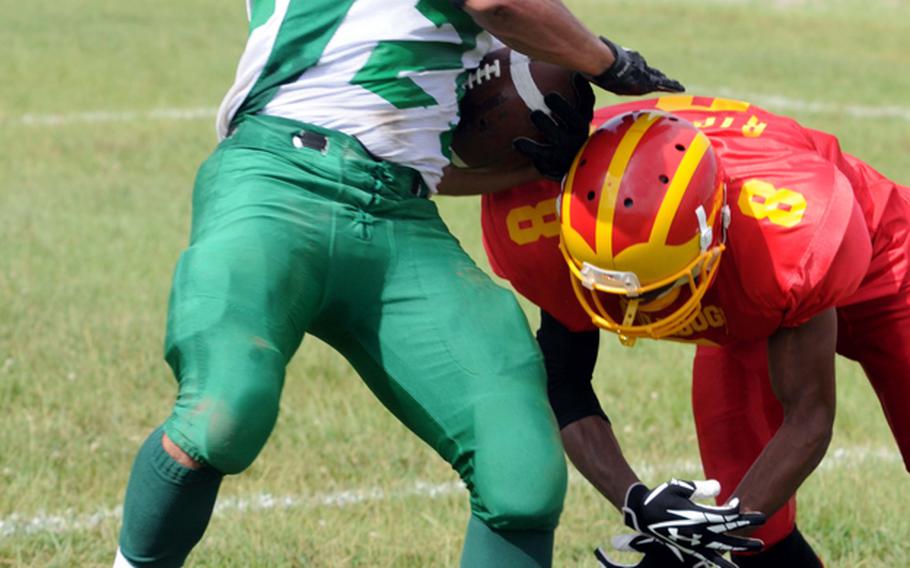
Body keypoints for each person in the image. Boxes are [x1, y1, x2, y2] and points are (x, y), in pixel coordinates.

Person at [112, 1, 691, 566]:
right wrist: (607, 60)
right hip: (274, 182)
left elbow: (421, 156)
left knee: (521, 468)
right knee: (224, 412)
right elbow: (500, 4)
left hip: (398, 211)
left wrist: (528, 163)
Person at [471, 95, 910, 566]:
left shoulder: (791, 243)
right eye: (613, 291)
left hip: (881, 257)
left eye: (658, 288)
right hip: (736, 291)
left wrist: (719, 527)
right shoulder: (557, 217)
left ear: (712, 235)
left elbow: (808, 415)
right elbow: (565, 383)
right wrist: (636, 503)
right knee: (757, 539)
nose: (633, 309)